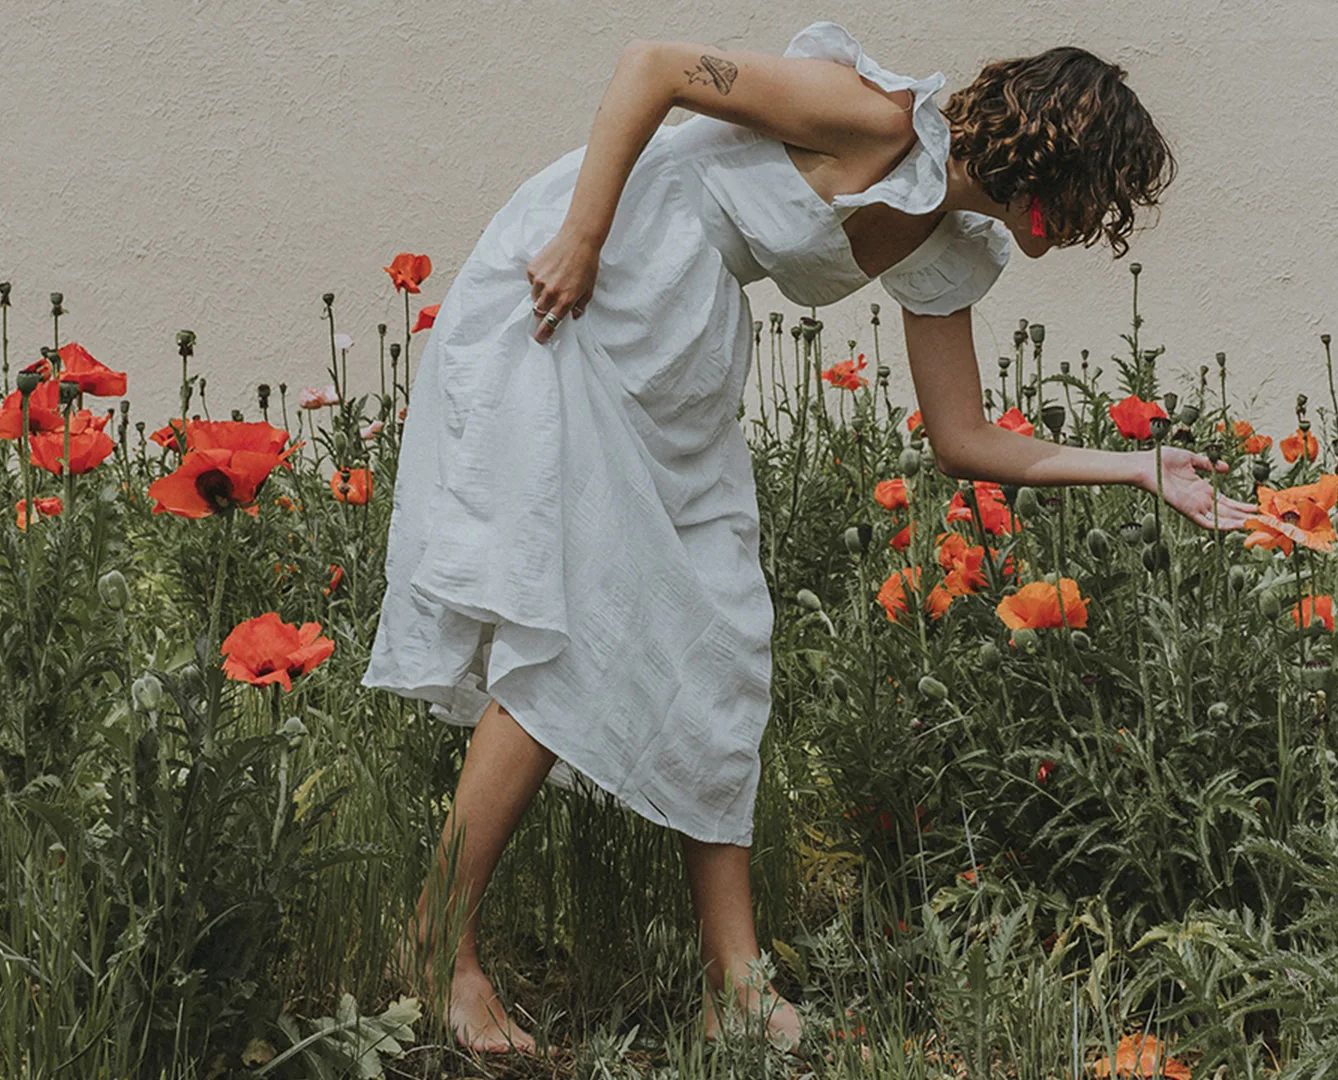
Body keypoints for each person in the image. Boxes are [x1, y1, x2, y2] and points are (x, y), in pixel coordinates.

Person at [361, 19, 1256, 1055]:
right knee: (572, 616)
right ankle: (438, 945)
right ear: (1056, 161)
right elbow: (653, 69)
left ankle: (734, 988)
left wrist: (1141, 469)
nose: (1105, 224)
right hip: (595, 290)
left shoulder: (948, 239)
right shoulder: (873, 115)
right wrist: (584, 234)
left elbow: (964, 440)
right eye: (1105, 194)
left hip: (679, 343)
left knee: (727, 634)